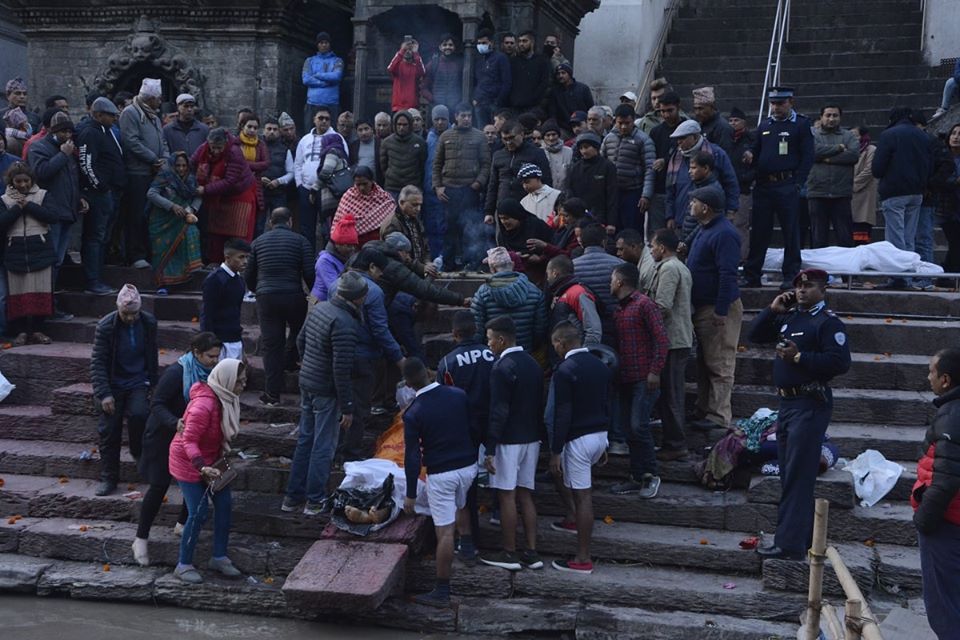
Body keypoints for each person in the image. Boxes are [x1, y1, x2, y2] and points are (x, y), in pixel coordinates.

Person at [749, 269, 850, 560]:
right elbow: (755, 335)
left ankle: (789, 545)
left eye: (809, 286)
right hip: (788, 404)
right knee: (790, 473)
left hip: (810, 404)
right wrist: (772, 310)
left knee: (797, 475)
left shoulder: (827, 323)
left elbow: (840, 362)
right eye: (798, 286)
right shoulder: (791, 317)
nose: (802, 290)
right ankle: (801, 538)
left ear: (824, 289)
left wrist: (799, 357)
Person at [133, 331, 221, 567]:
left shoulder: (213, 374)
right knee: (159, 485)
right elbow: (157, 403)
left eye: (217, 357)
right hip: (162, 436)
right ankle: (141, 538)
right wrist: (175, 422)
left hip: (193, 437)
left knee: (195, 481)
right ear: (196, 353)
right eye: (210, 356)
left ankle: (182, 524)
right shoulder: (177, 373)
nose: (214, 361)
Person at [284, 271, 366, 515]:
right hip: (326, 390)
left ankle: (292, 498)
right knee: (324, 445)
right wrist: (348, 407)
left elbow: (300, 341)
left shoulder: (320, 309)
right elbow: (341, 369)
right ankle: (315, 499)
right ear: (358, 298)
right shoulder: (345, 323)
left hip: (308, 382)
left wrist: (308, 365)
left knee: (305, 440)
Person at [402, 356, 479, 606]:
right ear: (428, 371)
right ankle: (467, 545)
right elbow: (473, 427)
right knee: (461, 501)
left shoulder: (413, 412)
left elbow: (412, 456)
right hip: (468, 466)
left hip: (441, 473)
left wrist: (411, 493)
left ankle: (442, 590)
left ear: (407, 384)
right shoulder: (458, 395)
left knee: (444, 531)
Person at [168, 358, 247, 584]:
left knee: (224, 504)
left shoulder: (226, 398)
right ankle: (183, 565)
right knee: (198, 512)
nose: (243, 386)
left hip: (212, 459)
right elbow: (188, 440)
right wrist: (201, 466)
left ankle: (219, 557)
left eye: (244, 381)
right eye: (239, 382)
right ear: (226, 381)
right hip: (188, 461)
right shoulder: (204, 405)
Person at [480, 315, 544, 571]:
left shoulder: (501, 367)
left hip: (508, 440)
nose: (488, 344)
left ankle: (509, 553)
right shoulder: (533, 364)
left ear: (501, 339)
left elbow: (499, 410)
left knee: (506, 495)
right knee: (525, 494)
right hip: (532, 437)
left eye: (490, 339)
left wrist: (490, 447)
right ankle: (531, 551)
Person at [547, 321, 611, 574]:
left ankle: (583, 558)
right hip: (599, 434)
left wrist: (556, 450)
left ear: (561, 343)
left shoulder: (564, 370)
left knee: (583, 497)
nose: (554, 348)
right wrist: (605, 440)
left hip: (578, 439)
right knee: (580, 494)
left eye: (554, 344)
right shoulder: (600, 365)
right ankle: (573, 522)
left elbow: (562, 413)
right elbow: (607, 403)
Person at [741, 87, 815, 289]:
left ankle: (790, 274)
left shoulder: (800, 124)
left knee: (790, 232)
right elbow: (756, 149)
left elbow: (808, 155)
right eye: (773, 103)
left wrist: (798, 182)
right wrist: (750, 154)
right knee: (759, 232)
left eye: (780, 103)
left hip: (787, 183)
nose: (776, 107)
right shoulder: (765, 125)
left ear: (790, 102)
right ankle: (752, 274)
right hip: (764, 185)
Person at [90, 284, 159, 496]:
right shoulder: (106, 326)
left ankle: (138, 452)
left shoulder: (148, 322)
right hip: (113, 384)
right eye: (126, 314)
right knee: (109, 431)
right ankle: (109, 478)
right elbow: (98, 362)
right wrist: (104, 393)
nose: (130, 318)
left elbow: (152, 354)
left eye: (134, 314)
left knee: (140, 415)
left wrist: (153, 383)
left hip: (138, 381)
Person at [607, 263, 668, 497]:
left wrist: (655, 370)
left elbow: (661, 339)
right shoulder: (619, 309)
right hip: (625, 378)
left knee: (638, 426)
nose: (610, 284)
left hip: (644, 377)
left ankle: (651, 475)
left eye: (612, 280)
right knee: (627, 429)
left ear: (620, 282)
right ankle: (636, 475)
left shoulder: (645, 304)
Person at [685, 186, 742, 431]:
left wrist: (721, 309)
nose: (690, 206)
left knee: (719, 363)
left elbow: (728, 274)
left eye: (694, 202)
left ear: (705, 207)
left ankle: (718, 415)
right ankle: (703, 407)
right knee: (705, 361)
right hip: (702, 306)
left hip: (718, 307)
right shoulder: (705, 228)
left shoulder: (725, 234)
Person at [246, 208, 315, 406]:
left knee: (271, 345)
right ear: (290, 221)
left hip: (266, 297)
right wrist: (313, 294)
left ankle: (272, 394)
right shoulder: (301, 241)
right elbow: (309, 273)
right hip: (294, 295)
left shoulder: (258, 242)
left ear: (270, 222)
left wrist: (258, 289)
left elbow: (249, 274)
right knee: (298, 331)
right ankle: (290, 361)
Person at [912, 348, 960, 638]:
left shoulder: (952, 416)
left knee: (946, 609)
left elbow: (946, 480)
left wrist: (924, 520)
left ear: (945, 379)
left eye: (932, 371)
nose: (928, 377)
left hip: (946, 524)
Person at [638, 228, 693, 460]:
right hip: (674, 339)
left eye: (652, 246)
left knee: (671, 394)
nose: (651, 250)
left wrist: (640, 321)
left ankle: (676, 444)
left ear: (662, 247)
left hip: (672, 340)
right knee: (670, 393)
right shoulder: (676, 266)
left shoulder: (670, 268)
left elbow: (662, 306)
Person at [871, 107, 934, 290]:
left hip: (894, 191)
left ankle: (898, 277)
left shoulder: (889, 135)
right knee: (908, 237)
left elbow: (877, 168)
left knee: (895, 237)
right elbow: (930, 164)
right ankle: (908, 274)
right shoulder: (923, 136)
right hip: (917, 192)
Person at [0, 162, 58, 346]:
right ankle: (21, 332)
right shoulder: (4, 200)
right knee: (17, 294)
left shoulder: (43, 195)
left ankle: (38, 330)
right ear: (12, 182)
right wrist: (18, 207)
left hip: (40, 249)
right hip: (15, 251)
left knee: (41, 293)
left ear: (32, 180)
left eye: (26, 181)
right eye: (18, 181)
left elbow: (52, 216)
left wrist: (28, 205)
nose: (23, 185)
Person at [27, 111, 85, 287]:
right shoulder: (38, 148)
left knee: (58, 259)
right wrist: (62, 155)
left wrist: (79, 198)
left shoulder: (69, 149)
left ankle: (51, 296)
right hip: (51, 212)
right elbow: (41, 173)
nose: (67, 135)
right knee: (50, 259)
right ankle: (46, 297)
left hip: (68, 210)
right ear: (53, 131)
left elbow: (72, 179)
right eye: (63, 132)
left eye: (69, 132)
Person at [433, 103, 491, 271]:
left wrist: (478, 182)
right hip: (449, 191)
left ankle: (470, 264)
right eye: (463, 116)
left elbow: (486, 164)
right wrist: (438, 186)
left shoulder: (479, 136)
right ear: (456, 116)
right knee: (449, 229)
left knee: (470, 229)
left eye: (469, 116)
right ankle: (448, 264)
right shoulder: (445, 136)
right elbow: (437, 164)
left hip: (469, 190)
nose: (466, 119)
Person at [77, 97, 125, 295]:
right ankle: (93, 280)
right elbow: (86, 164)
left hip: (108, 192)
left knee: (102, 236)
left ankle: (97, 276)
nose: (114, 119)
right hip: (98, 193)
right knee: (95, 237)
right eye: (110, 115)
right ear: (98, 115)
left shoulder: (104, 131)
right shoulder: (90, 133)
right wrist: (101, 187)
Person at [119, 78, 169, 270]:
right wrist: (153, 159)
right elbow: (131, 141)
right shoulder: (130, 113)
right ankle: (136, 254)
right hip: (137, 172)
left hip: (155, 173)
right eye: (158, 98)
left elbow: (162, 141)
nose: (160, 101)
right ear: (150, 99)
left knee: (151, 215)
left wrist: (164, 159)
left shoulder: (154, 116)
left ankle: (149, 252)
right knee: (136, 214)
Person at [666, 122, 739, 243]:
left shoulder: (716, 154)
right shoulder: (676, 158)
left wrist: (731, 210)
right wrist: (670, 215)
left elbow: (731, 183)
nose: (679, 142)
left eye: (683, 138)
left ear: (695, 137)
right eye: (677, 139)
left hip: (708, 220)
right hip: (681, 219)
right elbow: (670, 189)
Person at [191, 127, 257, 263]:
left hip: (238, 194)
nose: (215, 151)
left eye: (219, 148)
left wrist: (205, 189)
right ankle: (215, 262)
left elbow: (230, 181)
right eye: (213, 147)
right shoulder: (203, 148)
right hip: (217, 196)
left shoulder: (234, 152)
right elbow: (192, 163)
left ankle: (239, 264)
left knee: (238, 235)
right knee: (215, 234)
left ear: (225, 144)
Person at [471, 246, 547, 353]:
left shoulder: (483, 293)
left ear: (492, 268)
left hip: (493, 354)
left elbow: (477, 329)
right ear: (512, 264)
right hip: (525, 353)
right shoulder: (535, 292)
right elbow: (540, 329)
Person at [294, 106, 347, 255]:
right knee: (306, 227)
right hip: (306, 188)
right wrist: (300, 185)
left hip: (328, 191)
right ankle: (308, 258)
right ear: (314, 120)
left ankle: (327, 258)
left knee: (328, 227)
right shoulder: (305, 139)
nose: (323, 121)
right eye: (320, 118)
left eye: (327, 119)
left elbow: (343, 163)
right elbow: (298, 164)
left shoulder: (336, 138)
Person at [147, 151, 203, 288]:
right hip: (163, 220)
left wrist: (192, 210)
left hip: (183, 217)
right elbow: (151, 194)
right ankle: (164, 283)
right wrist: (172, 206)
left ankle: (184, 278)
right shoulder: (165, 176)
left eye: (184, 165)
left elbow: (198, 196)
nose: (181, 169)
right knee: (165, 250)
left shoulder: (191, 179)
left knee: (191, 233)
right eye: (178, 165)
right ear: (172, 165)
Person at [806, 105, 858, 249]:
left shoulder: (848, 136)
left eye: (835, 115)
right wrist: (838, 148)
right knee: (818, 238)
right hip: (817, 192)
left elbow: (853, 155)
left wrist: (826, 158)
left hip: (841, 192)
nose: (831, 119)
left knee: (845, 237)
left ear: (840, 118)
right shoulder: (812, 135)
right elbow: (812, 152)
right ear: (821, 117)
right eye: (828, 115)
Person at [601, 104, 656, 232]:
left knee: (632, 230)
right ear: (615, 121)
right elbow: (601, 163)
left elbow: (650, 168)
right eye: (620, 123)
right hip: (612, 193)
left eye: (627, 123)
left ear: (633, 121)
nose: (623, 127)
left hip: (633, 192)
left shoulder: (643, 140)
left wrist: (646, 195)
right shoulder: (608, 139)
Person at [487, 120, 552, 223]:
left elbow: (546, 181)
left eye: (512, 138)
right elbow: (493, 184)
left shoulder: (536, 153)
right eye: (505, 139)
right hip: (503, 207)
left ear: (521, 134)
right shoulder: (498, 155)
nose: (508, 142)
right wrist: (489, 211)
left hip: (528, 207)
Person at [573, 223, 624, 344]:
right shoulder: (619, 265)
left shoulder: (573, 267)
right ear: (604, 242)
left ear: (582, 243)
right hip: (615, 326)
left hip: (583, 327)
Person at [201, 238, 250, 361]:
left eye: (247, 257)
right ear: (228, 257)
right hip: (220, 342)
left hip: (235, 339)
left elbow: (236, 312)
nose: (245, 261)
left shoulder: (239, 280)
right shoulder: (215, 279)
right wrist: (209, 344)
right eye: (241, 257)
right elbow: (207, 313)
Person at [648, 91, 688, 240]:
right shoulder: (656, 132)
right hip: (659, 189)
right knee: (657, 235)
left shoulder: (687, 129)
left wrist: (665, 160)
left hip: (680, 190)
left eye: (670, 110)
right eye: (662, 111)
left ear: (678, 107)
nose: (666, 115)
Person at [545, 255, 602, 351]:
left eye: (548, 274)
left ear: (554, 273)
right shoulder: (559, 293)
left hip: (575, 353)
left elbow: (593, 330)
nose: (547, 278)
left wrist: (585, 353)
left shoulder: (578, 293)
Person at [563, 132, 618, 228]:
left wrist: (611, 222)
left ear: (596, 147)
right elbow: (569, 191)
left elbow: (612, 196)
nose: (584, 151)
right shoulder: (575, 168)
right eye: (581, 148)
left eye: (587, 147)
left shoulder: (607, 167)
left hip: (600, 217)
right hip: (578, 217)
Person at [331, 166, 396, 246]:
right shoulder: (348, 197)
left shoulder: (383, 197)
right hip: (353, 246)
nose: (362, 188)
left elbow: (392, 220)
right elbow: (339, 225)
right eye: (358, 184)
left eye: (365, 184)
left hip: (379, 244)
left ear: (372, 181)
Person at [380, 185, 434, 276]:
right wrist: (422, 268)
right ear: (401, 202)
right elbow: (399, 256)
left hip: (416, 271)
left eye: (420, 205)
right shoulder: (392, 224)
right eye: (414, 205)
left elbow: (424, 245)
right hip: (399, 274)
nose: (418, 209)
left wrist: (427, 262)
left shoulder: (415, 219)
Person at [421, 105, 449, 260]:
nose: (440, 122)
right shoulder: (428, 137)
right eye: (436, 119)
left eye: (443, 119)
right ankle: (435, 257)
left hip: (447, 190)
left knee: (446, 226)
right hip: (429, 190)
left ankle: (446, 257)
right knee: (431, 226)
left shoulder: (453, 135)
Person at [728, 106, 756, 260]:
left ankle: (741, 258)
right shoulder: (726, 138)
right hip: (727, 187)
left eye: (736, 120)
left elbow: (756, 164)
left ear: (744, 122)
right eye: (730, 120)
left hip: (742, 188)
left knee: (740, 224)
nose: (733, 123)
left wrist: (747, 177)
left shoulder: (751, 140)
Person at [302, 31, 344, 132]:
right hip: (312, 103)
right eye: (321, 43)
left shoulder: (337, 61)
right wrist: (325, 82)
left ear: (330, 44)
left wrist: (317, 75)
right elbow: (306, 79)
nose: (324, 45)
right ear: (317, 45)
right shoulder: (309, 61)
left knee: (332, 133)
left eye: (326, 42)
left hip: (331, 103)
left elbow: (336, 76)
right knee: (310, 132)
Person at [311, 213, 358, 302]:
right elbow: (334, 288)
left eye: (353, 245)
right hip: (320, 302)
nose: (352, 249)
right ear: (337, 244)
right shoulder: (324, 261)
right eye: (348, 246)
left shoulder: (348, 256)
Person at [380, 110, 427, 199]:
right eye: (399, 124)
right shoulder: (386, 142)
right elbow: (383, 165)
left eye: (405, 125)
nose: (401, 127)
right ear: (394, 125)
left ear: (410, 125)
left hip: (412, 188)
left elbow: (422, 165)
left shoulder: (420, 142)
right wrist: (391, 176)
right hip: (392, 188)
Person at [260, 118, 295, 231]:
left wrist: (278, 181)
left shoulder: (285, 150)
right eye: (269, 129)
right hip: (259, 192)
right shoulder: (257, 146)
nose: (272, 132)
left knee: (280, 224)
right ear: (263, 130)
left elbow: (291, 172)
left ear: (279, 131)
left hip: (278, 193)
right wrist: (259, 178)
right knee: (258, 225)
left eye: (275, 129)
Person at [236, 113, 270, 228]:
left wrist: (245, 164)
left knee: (254, 220)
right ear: (242, 126)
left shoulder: (260, 145)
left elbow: (265, 163)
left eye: (255, 128)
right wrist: (252, 166)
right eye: (249, 127)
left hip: (255, 185)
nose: (252, 130)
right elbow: (233, 162)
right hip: (237, 184)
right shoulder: (236, 143)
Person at [473, 29, 512, 128]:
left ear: (491, 43)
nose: (481, 45)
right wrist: (475, 98)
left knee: (495, 130)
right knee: (481, 131)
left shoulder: (501, 58)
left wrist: (498, 101)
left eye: (484, 43)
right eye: (479, 43)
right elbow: (476, 80)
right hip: (480, 102)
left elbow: (507, 82)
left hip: (494, 103)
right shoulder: (479, 59)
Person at [509, 31, 550, 113]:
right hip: (515, 105)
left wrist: (534, 99)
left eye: (524, 41)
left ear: (532, 42)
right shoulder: (514, 61)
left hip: (532, 106)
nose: (521, 44)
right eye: (519, 41)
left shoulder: (542, 61)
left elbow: (544, 82)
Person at [548, 63, 594, 135]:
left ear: (569, 74)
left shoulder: (583, 88)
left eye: (563, 73)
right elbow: (553, 112)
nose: (560, 76)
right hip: (564, 128)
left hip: (583, 125)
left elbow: (591, 108)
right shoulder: (555, 92)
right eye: (558, 74)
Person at [422, 34, 463, 112]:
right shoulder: (433, 64)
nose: (447, 47)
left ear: (454, 47)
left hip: (455, 108)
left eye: (450, 45)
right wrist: (433, 99)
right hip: (436, 107)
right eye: (444, 45)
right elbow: (424, 87)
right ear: (440, 47)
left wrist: (459, 101)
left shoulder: (460, 64)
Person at [851, 127, 878, 246]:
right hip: (848, 196)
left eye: (855, 135)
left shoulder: (871, 150)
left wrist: (853, 184)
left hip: (864, 194)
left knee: (862, 232)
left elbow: (869, 170)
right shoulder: (848, 150)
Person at [692, 86, 734, 157]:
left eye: (701, 108)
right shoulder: (700, 124)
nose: (697, 113)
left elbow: (723, 157)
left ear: (712, 107)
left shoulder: (723, 128)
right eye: (695, 109)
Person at [388, 36, 426, 112]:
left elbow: (422, 72)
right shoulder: (398, 66)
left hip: (413, 107)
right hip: (398, 107)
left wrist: (415, 53)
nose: (407, 51)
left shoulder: (416, 66)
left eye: (410, 49)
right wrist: (402, 50)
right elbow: (390, 68)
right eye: (406, 49)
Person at [348, 119, 382, 184]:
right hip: (358, 183)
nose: (364, 133)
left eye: (366, 129)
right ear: (356, 132)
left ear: (372, 129)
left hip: (377, 183)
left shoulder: (380, 144)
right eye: (360, 130)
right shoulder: (353, 146)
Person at [540, 120, 572, 190]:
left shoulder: (569, 152)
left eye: (554, 134)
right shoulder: (539, 153)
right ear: (543, 137)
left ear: (558, 135)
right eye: (548, 135)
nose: (551, 138)